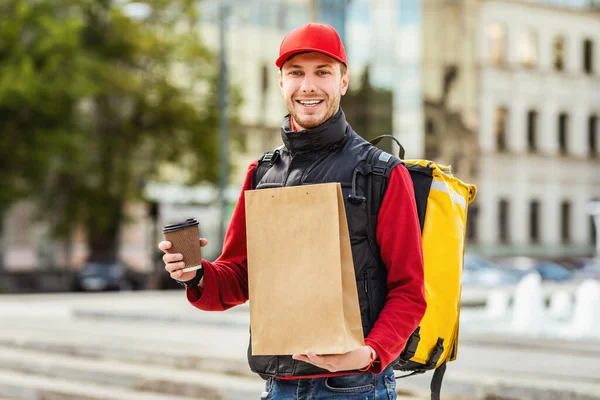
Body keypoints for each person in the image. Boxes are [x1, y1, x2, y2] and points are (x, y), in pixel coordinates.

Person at [159, 22, 426, 400]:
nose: (308, 86)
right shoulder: (262, 173)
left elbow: (410, 291)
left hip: (355, 387)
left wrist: (368, 354)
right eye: (296, 73)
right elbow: (239, 277)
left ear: (344, 81)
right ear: (281, 83)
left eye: (323, 72)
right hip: (278, 386)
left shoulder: (382, 173)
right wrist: (197, 274)